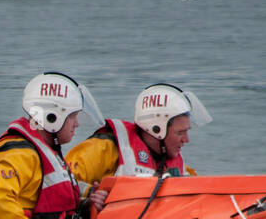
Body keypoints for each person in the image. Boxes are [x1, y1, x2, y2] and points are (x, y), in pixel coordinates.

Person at [0, 72, 106, 219]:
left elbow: (53, 190)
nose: (77, 124)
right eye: (73, 116)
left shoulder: (45, 152)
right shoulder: (19, 154)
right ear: (53, 117)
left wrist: (88, 198)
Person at [65, 83, 211, 193]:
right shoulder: (106, 148)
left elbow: (200, 190)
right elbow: (63, 182)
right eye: (180, 133)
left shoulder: (178, 165)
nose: (186, 139)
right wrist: (91, 193)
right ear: (157, 129)